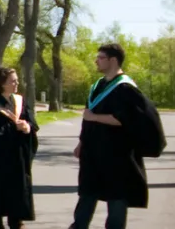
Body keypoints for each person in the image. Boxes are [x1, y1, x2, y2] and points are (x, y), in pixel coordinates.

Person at [70, 43, 166, 229]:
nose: (96, 61)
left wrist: (94, 117)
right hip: (92, 150)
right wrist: (81, 142)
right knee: (87, 191)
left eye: (100, 57)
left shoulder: (126, 89)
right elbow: (87, 116)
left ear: (113, 60)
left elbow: (126, 119)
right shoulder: (98, 86)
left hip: (116, 153)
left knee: (116, 195)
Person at [0, 67, 38, 229]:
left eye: (17, 80)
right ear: (2, 84)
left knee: (17, 199)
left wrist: (27, 127)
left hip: (18, 160)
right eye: (13, 81)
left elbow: (32, 124)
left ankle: (17, 223)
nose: (17, 83)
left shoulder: (20, 102)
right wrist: (14, 128)